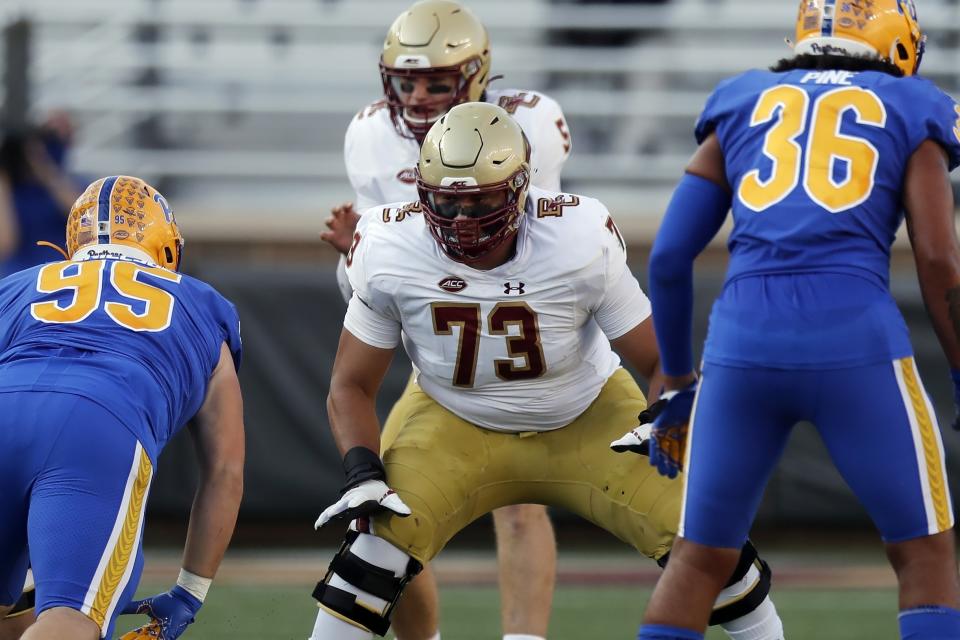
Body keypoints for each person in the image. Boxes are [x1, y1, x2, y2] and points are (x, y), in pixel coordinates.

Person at [307, 102, 784, 640]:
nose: (462, 221)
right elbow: (349, 384)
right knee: (367, 557)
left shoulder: (576, 236)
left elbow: (659, 362)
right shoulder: (389, 246)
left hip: (589, 415)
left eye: (481, 200)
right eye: (446, 201)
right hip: (453, 420)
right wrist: (362, 471)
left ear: (518, 189)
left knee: (715, 547)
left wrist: (661, 417)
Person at [628, 2, 960, 639]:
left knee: (699, 560)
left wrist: (673, 378)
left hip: (741, 347)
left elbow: (669, 256)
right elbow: (939, 257)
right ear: (898, 42)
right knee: (924, 555)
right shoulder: (914, 103)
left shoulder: (743, 98)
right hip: (855, 342)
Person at [321, 2, 572, 639]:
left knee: (518, 504)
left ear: (477, 72)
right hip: (439, 341)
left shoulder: (529, 122)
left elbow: (511, 244)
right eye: (407, 82)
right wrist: (359, 255)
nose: (421, 95)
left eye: (438, 80)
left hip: (523, 335)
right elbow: (375, 284)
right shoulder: (370, 132)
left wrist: (383, 249)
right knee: (383, 511)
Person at [0, 176, 245, 640]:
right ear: (165, 245)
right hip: (99, 420)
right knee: (72, 617)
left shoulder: (18, 285)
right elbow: (225, 471)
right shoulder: (201, 304)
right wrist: (190, 592)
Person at [0, 112, 82, 278]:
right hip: (19, 278)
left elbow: (82, 215)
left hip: (60, 275)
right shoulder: (9, 193)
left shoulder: (68, 184)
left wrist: (43, 166)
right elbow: (6, 244)